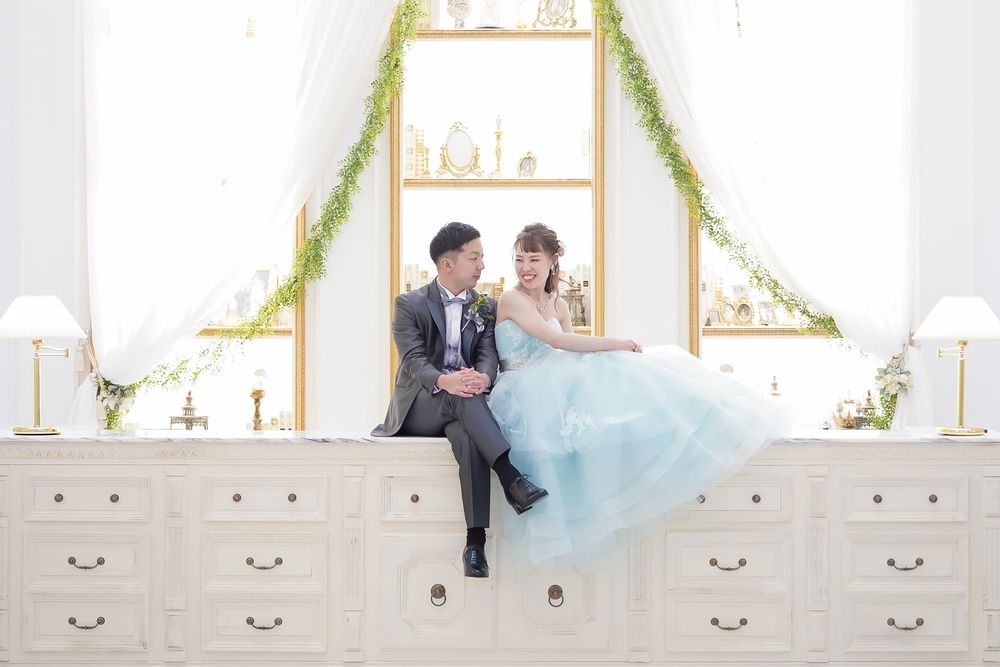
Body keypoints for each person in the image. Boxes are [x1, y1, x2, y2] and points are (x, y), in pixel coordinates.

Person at [487, 223, 795, 566]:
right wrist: (616, 343)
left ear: (552, 261)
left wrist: (613, 351)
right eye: (519, 259)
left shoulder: (558, 304)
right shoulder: (512, 299)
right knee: (615, 363)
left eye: (533, 259)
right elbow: (557, 341)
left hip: (558, 379)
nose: (525, 268)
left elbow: (572, 349)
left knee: (637, 373)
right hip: (524, 388)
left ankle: (711, 413)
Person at [372, 222, 549, 578]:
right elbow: (413, 360)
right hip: (421, 405)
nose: (482, 265)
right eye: (474, 257)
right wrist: (446, 380)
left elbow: (488, 354)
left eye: (482, 257)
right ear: (447, 264)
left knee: (468, 435)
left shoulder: (485, 306)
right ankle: (511, 476)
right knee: (461, 397)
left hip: (465, 405)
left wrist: (483, 377)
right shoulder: (409, 304)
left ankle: (474, 545)